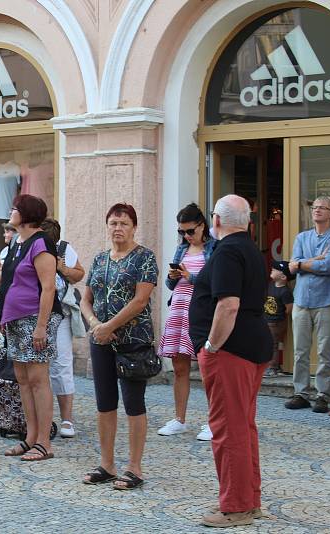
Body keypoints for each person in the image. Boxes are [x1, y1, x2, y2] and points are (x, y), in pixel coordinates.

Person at [188, 194, 272, 528]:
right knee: (243, 425)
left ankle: (237, 506)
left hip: (231, 351)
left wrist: (210, 345)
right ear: (248, 221)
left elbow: (228, 305)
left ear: (217, 221)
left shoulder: (227, 252)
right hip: (251, 345)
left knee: (228, 428)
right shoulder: (251, 249)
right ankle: (248, 499)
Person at [79, 203, 158, 488]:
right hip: (101, 340)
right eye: (113, 223)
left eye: (123, 223)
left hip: (132, 341)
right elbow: (85, 299)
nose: (118, 228)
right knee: (104, 402)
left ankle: (134, 467)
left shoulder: (144, 258)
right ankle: (107, 463)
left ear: (134, 226)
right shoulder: (100, 260)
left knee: (134, 403)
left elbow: (140, 300)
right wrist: (95, 325)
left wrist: (109, 326)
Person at [0, 195, 63, 462]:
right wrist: (3, 317)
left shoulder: (41, 242)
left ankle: (44, 442)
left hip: (34, 319)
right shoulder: (17, 241)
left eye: (15, 208)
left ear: (26, 214)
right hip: (15, 320)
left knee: (38, 380)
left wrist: (41, 326)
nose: (11, 212)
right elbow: (10, 282)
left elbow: (48, 287)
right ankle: (31, 437)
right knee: (23, 381)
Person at [157, 203, 216, 441]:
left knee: (207, 368)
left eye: (190, 231)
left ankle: (213, 421)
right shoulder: (181, 250)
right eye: (182, 232)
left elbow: (213, 281)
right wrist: (174, 277)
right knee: (179, 367)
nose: (186, 236)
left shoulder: (214, 248)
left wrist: (189, 276)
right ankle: (179, 419)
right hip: (179, 309)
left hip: (201, 312)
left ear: (202, 226)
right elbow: (171, 285)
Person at [286, 196, 330, 412]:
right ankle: (300, 393)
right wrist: (314, 261)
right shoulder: (302, 237)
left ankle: (323, 394)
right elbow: (292, 267)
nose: (318, 211)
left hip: (327, 300)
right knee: (300, 351)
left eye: (323, 208)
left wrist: (304, 263)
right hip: (302, 300)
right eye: (315, 207)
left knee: (325, 350)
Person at [39, 217, 86, 438]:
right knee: (36, 367)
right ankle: (39, 417)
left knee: (61, 365)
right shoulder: (32, 249)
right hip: (35, 314)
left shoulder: (64, 249)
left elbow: (79, 273)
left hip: (60, 315)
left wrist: (63, 268)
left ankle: (67, 419)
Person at [264, 261, 294, 377]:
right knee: (268, 343)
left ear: (283, 277)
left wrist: (280, 317)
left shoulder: (285, 292)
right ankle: (268, 365)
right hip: (267, 319)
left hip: (276, 322)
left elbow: (289, 308)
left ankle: (273, 367)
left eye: (276, 269)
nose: (272, 269)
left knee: (273, 344)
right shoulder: (270, 285)